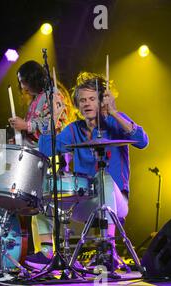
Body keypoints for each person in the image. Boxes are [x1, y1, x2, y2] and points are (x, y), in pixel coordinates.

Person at [39, 72, 149, 270]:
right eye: (82, 100)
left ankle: (107, 249)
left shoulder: (116, 122)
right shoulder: (73, 130)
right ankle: (48, 254)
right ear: (77, 105)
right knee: (41, 194)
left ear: (101, 101)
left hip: (117, 204)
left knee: (103, 177)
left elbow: (142, 141)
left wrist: (114, 112)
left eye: (91, 99)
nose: (87, 103)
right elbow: (46, 149)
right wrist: (53, 119)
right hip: (84, 204)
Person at [8, 60, 75, 269]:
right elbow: (36, 134)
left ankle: (48, 254)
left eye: (24, 81)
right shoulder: (37, 99)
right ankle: (45, 254)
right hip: (39, 156)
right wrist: (21, 139)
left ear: (34, 78)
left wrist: (26, 125)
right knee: (39, 206)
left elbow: (53, 125)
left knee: (46, 205)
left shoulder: (53, 95)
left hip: (53, 157)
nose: (22, 87)